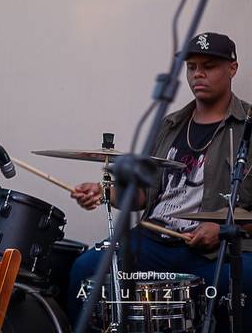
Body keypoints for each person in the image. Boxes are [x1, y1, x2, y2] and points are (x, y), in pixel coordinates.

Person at [67, 32, 252, 329]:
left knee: (245, 283)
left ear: (232, 68)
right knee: (85, 270)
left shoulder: (248, 126)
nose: (198, 74)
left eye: (208, 66)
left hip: (212, 252)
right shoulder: (171, 124)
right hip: (154, 241)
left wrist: (223, 230)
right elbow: (144, 194)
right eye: (191, 67)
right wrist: (104, 193)